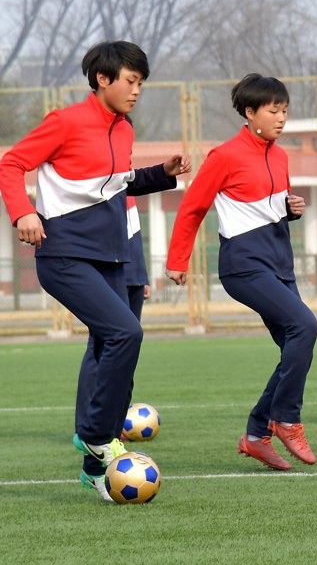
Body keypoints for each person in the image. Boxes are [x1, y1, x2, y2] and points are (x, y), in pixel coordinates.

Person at [0, 41, 188, 501]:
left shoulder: (123, 129)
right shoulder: (64, 121)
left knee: (112, 345)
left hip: (110, 256)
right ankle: (96, 437)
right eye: (130, 80)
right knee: (126, 334)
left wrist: (162, 173)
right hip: (63, 255)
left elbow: (116, 185)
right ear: (103, 79)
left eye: (141, 81)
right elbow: (10, 163)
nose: (137, 89)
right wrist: (23, 213)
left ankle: (94, 469)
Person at [166, 73, 317, 470]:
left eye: (285, 110)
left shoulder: (280, 156)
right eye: (273, 110)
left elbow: (265, 210)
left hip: (280, 264)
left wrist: (289, 210)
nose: (281, 118)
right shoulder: (224, 156)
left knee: (293, 348)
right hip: (244, 267)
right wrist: (177, 260)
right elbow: (193, 207)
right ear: (250, 112)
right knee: (306, 326)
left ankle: (255, 435)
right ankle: (286, 418)